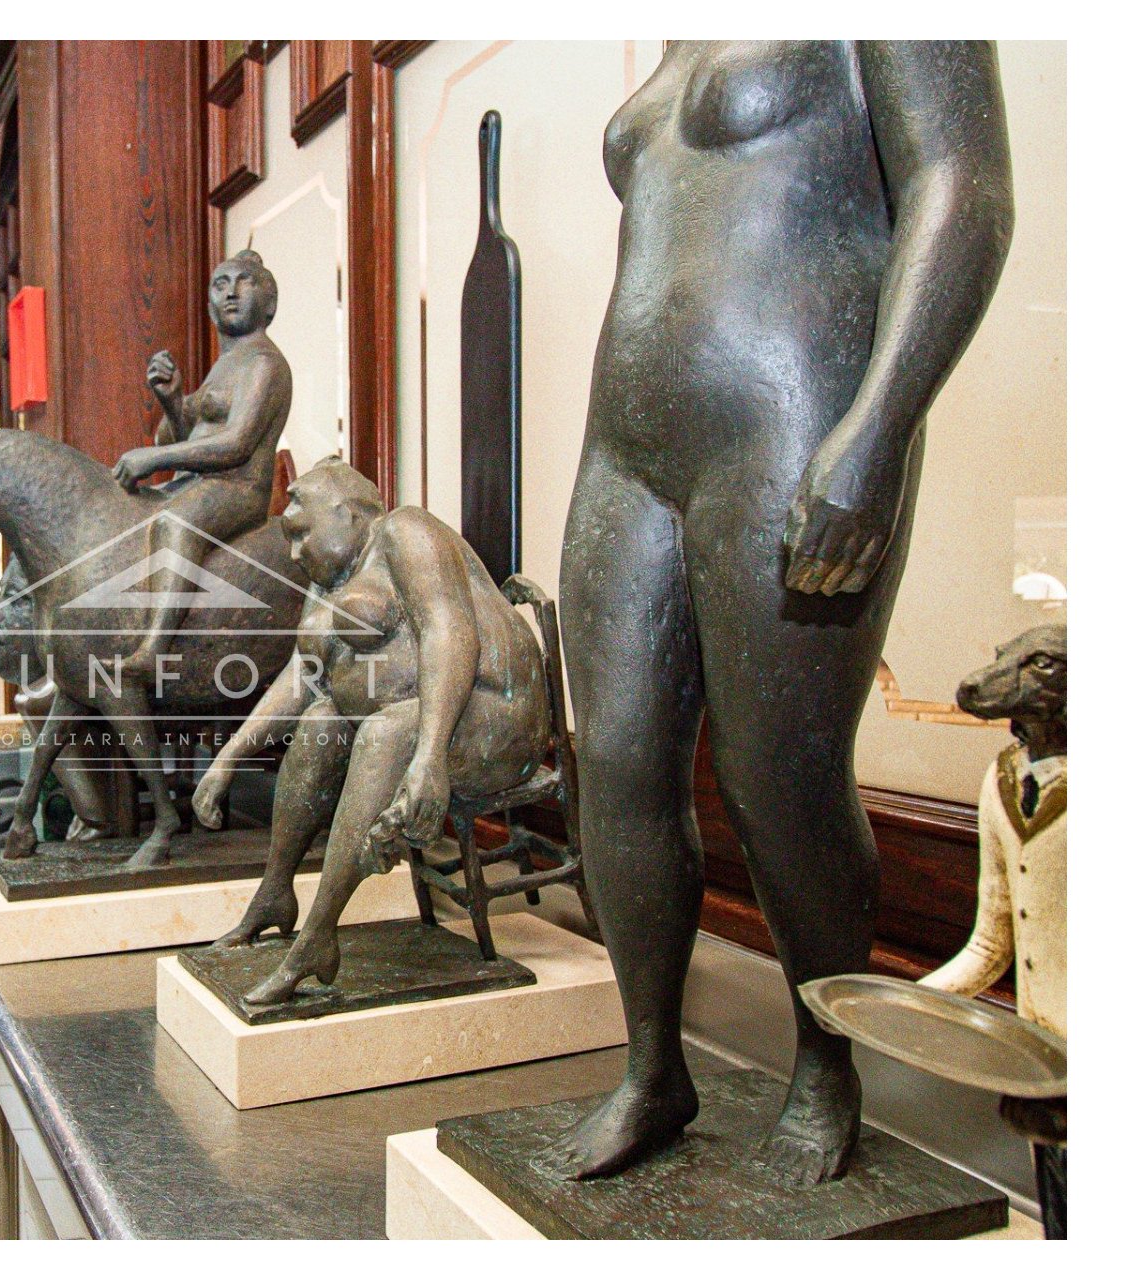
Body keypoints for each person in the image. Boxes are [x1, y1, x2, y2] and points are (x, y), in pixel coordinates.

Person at [549, 41, 1013, 1187]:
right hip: (628, 436)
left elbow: (963, 183)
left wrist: (881, 424)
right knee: (616, 759)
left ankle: (825, 1061)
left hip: (794, 403)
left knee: (778, 775)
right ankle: (653, 1066)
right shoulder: (677, 39)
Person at [190, 458, 549, 1005]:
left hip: (497, 721)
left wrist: (429, 756)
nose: (294, 553)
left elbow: (449, 634)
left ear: (347, 513)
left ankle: (317, 938)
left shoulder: (406, 531)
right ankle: (275, 892)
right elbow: (303, 676)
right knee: (321, 721)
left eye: (301, 535)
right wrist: (228, 758)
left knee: (387, 731)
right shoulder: (327, 580)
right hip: (424, 722)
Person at [112, 249, 292, 670]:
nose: (231, 292)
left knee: (176, 524)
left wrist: (155, 458)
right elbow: (183, 434)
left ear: (269, 303)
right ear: (210, 306)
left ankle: (154, 648)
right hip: (198, 481)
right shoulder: (228, 363)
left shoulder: (264, 364)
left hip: (238, 488)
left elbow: (235, 445)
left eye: (244, 282)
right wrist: (172, 400)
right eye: (221, 284)